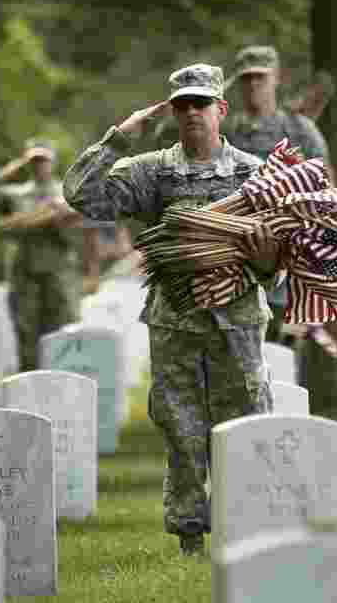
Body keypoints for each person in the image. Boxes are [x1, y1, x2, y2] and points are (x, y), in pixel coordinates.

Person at [63, 64, 279, 556]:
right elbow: (81, 195)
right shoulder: (152, 170)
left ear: (220, 109)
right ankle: (189, 535)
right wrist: (120, 137)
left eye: (200, 103)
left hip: (237, 319)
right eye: (181, 105)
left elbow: (281, 258)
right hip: (175, 321)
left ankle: (245, 528)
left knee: (244, 420)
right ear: (171, 113)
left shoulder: (254, 172)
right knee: (181, 426)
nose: (191, 113)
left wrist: (267, 262)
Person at [225, 45, 332, 347]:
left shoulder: (301, 133)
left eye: (260, 77)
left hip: (287, 277)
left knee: (283, 371)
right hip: (237, 274)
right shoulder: (225, 134)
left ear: (277, 79)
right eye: (246, 79)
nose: (254, 85)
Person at [0, 138, 99, 371]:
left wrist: (92, 272)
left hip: (60, 272)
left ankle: (63, 388)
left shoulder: (68, 193)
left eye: (43, 160)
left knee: (63, 332)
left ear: (53, 162)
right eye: (34, 160)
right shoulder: (15, 195)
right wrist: (11, 169)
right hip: (24, 273)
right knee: (26, 334)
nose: (39, 165)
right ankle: (29, 390)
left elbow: (90, 233)